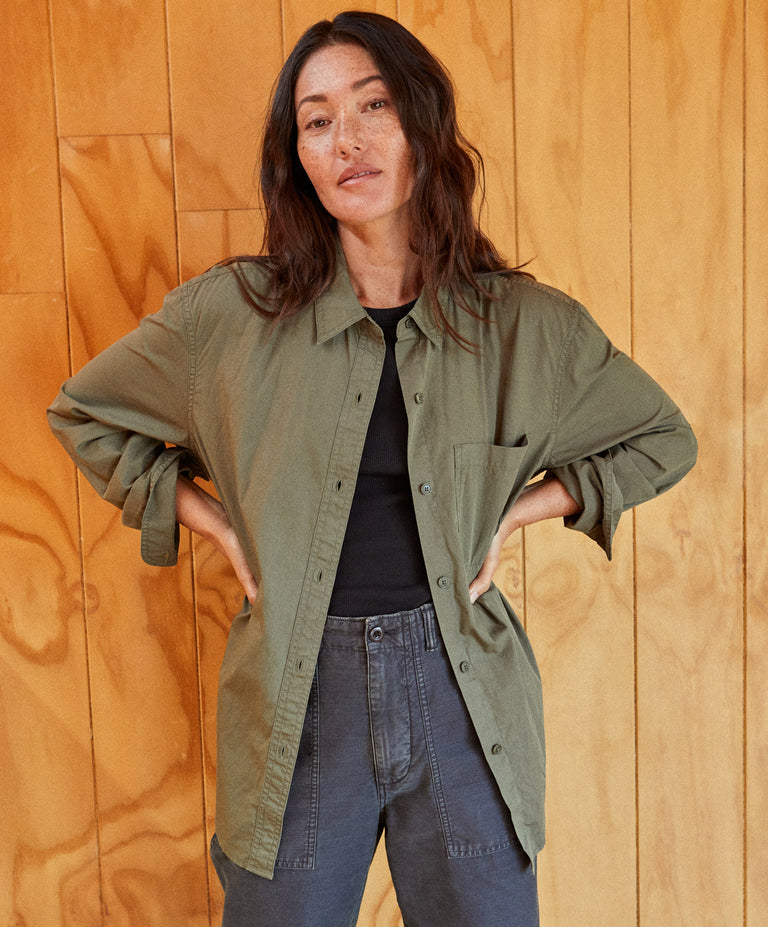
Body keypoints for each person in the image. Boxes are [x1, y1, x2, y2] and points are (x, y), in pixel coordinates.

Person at [47, 11, 697, 927]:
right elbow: (85, 414)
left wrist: (518, 510)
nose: (345, 140)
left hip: (464, 698)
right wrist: (216, 520)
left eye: (372, 105)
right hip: (297, 701)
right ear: (298, 158)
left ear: (422, 122)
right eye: (316, 121)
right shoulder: (229, 319)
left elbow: (662, 438)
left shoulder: (525, 326)